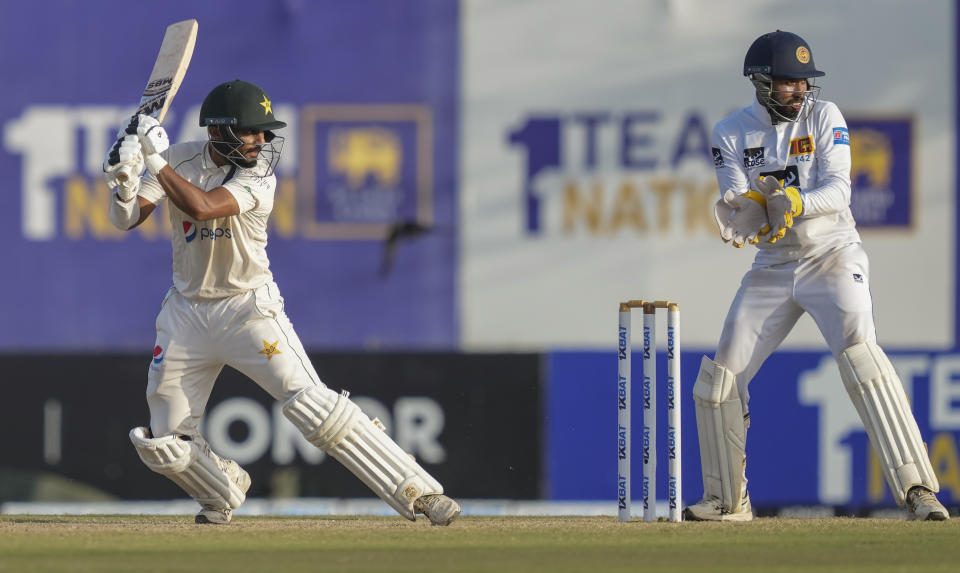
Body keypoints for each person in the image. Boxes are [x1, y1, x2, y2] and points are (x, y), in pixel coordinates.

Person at [102, 79, 460, 526]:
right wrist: (124, 184)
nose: (262, 141)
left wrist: (153, 158)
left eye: (264, 132)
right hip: (187, 313)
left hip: (247, 310)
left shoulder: (258, 176)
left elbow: (204, 207)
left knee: (311, 405)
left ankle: (419, 492)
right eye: (251, 131)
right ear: (218, 131)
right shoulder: (180, 160)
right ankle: (222, 489)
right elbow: (127, 220)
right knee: (165, 442)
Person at [690, 31, 948, 522]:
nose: (799, 91)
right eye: (788, 83)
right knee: (722, 378)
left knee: (860, 354)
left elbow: (839, 190)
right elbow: (739, 200)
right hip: (772, 266)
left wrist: (797, 202)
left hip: (832, 254)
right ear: (762, 83)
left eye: (804, 83)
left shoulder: (824, 116)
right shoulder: (731, 131)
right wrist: (743, 212)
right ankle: (728, 500)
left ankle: (918, 490)